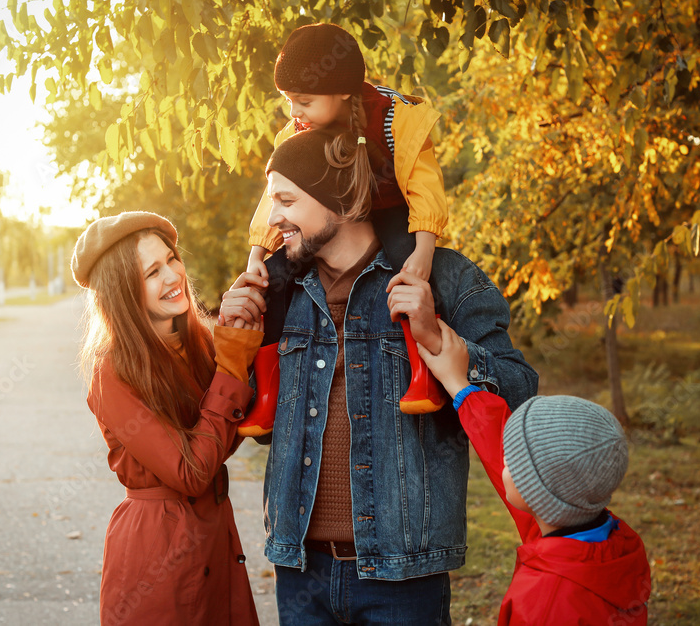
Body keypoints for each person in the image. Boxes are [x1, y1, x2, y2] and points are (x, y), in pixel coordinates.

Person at [220, 128, 540, 625]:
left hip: (404, 577)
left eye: (285, 199)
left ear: (342, 200)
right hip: (301, 570)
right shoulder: (276, 290)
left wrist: (441, 343)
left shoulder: (441, 279)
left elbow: (521, 395)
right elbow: (264, 430)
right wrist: (236, 343)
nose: (273, 217)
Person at [237, 22, 450, 436]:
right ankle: (266, 394)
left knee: (410, 269)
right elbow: (275, 197)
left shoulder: (394, 118)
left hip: (388, 213)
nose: (294, 111)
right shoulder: (298, 131)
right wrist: (258, 253)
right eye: (288, 101)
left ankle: (422, 370)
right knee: (272, 285)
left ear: (344, 92)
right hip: (324, 225)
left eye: (304, 100)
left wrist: (424, 247)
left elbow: (424, 185)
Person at [71, 211, 263, 626]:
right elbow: (192, 471)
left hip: (216, 542)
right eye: (152, 272)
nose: (173, 275)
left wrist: (242, 339)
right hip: (157, 554)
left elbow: (222, 440)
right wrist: (231, 367)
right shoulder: (113, 373)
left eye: (172, 259)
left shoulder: (199, 342)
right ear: (123, 292)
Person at [418, 320, 652, 625]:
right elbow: (501, 446)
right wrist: (459, 386)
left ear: (533, 491)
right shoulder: (607, 542)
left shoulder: (544, 605)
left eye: (513, 458)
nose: (505, 459)